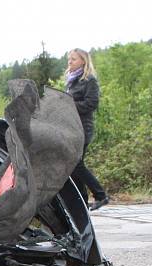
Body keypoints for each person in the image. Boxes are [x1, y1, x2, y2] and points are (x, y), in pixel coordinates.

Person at [65, 48, 109, 210]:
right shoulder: (71, 81)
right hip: (72, 128)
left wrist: (69, 105)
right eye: (69, 59)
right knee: (74, 165)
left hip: (83, 129)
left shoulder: (89, 80)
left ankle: (101, 195)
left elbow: (91, 104)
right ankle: (82, 202)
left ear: (83, 61)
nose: (70, 62)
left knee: (76, 164)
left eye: (74, 59)